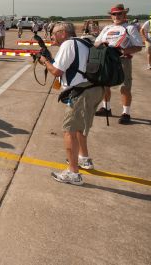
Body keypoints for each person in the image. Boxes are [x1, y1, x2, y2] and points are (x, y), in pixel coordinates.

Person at [38, 22, 104, 186]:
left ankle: (73, 173)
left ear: (62, 32)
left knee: (69, 130)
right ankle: (84, 158)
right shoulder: (84, 42)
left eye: (53, 33)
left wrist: (44, 61)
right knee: (80, 127)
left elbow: (57, 71)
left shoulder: (68, 44)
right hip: (95, 89)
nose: (51, 36)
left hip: (81, 92)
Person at [94, 3, 143, 124]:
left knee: (125, 87)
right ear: (111, 16)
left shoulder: (129, 28)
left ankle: (126, 113)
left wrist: (122, 51)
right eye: (114, 14)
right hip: (107, 60)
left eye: (119, 14)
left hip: (123, 60)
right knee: (105, 84)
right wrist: (101, 46)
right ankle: (106, 108)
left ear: (124, 14)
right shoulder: (107, 28)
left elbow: (138, 47)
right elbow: (97, 42)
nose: (116, 16)